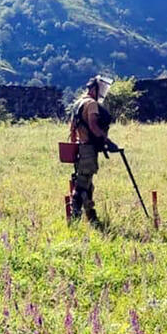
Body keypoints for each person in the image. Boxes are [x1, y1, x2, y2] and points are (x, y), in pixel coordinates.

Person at [69, 76, 119, 225]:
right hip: (88, 149)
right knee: (82, 184)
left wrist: (75, 147)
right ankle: (74, 218)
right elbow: (93, 125)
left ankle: (92, 218)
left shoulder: (78, 103)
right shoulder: (91, 104)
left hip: (80, 147)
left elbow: (72, 130)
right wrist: (107, 140)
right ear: (93, 89)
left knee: (88, 184)